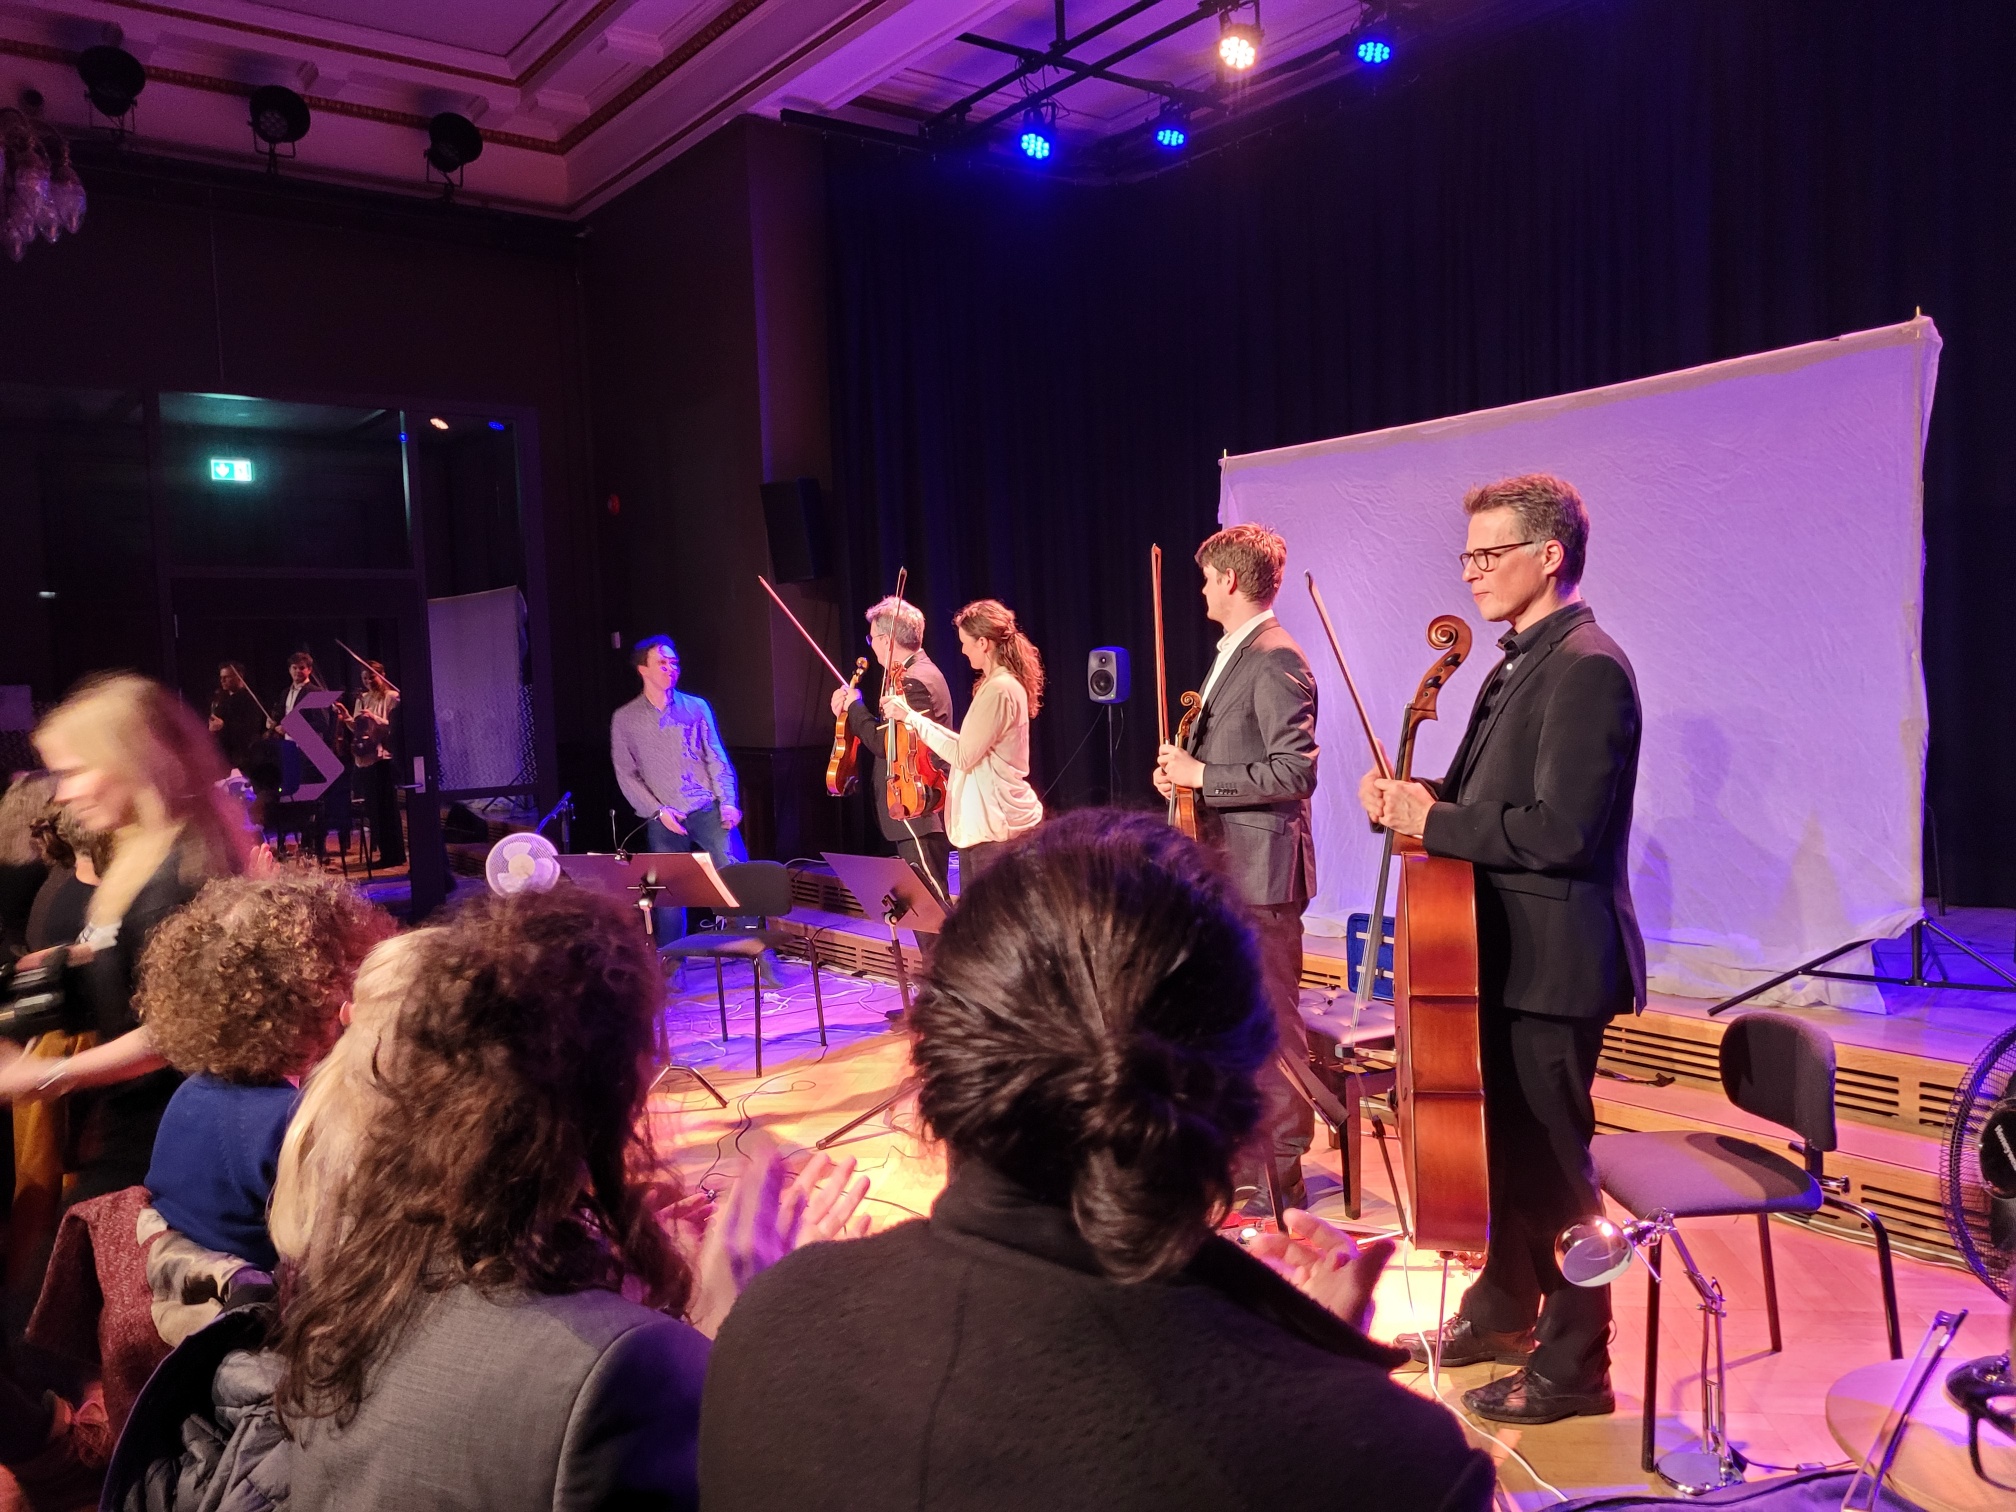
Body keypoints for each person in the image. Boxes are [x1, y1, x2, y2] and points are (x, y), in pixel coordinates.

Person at [701, 810, 1497, 1512]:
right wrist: (1319, 1382)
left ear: (936, 1050)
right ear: (1248, 1085)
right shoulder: (1394, 1463)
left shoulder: (761, 1328)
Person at [1360, 473, 1643, 1425]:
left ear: (1549, 555)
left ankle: (1577, 1364)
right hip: (1504, 955)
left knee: (1558, 1173)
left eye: (1490, 553)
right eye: (1469, 554)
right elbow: (1485, 798)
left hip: (1555, 967)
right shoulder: (1515, 662)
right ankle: (1500, 1311)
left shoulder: (1589, 667)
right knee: (1513, 1157)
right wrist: (1415, 798)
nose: (1472, 571)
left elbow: (1561, 829)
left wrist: (1434, 820)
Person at [0, 675, 251, 1202]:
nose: (62, 793)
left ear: (135, 761)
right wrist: (59, 965)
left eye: (75, 772)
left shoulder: (185, 871)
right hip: (137, 1125)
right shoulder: (144, 849)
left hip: (169, 1137)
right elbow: (137, 956)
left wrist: (44, 1075)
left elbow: (176, 1031)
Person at [1153, 523, 1319, 1216]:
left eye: (1205, 579)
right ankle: (1246, 1165)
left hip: (1263, 876)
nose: (1200, 591)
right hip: (1231, 870)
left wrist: (1203, 775)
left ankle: (1281, 1176)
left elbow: (1294, 771)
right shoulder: (1237, 654)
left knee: (1272, 1024)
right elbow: (1223, 761)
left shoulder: (1276, 657)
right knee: (1237, 1023)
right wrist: (1181, 777)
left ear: (1227, 579)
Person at [136, 873, 395, 1284]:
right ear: (321, 994)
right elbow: (353, 1251)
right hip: (260, 1308)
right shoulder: (290, 1122)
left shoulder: (190, 1093)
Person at [883, 599, 1043, 887]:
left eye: (966, 643)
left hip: (995, 835)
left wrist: (911, 717)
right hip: (984, 833)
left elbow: (963, 755)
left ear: (983, 643)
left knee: (990, 916)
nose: (962, 650)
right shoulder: (995, 685)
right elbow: (968, 746)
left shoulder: (1000, 689)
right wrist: (910, 717)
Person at [611, 636, 742, 943]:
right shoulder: (625, 718)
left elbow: (716, 756)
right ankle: (671, 960)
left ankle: (759, 951)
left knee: (737, 875)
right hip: (664, 816)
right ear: (643, 669)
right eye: (662, 663)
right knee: (668, 892)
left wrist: (728, 801)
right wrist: (658, 811)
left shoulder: (696, 707)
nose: (671, 668)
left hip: (706, 807)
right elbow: (626, 775)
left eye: (674, 662)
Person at [831, 596, 955, 901]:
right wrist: (849, 713)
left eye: (872, 638)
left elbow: (884, 744)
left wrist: (855, 707)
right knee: (923, 909)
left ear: (886, 640)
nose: (871, 645)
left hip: (919, 805)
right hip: (916, 807)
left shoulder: (914, 680)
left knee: (932, 907)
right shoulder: (913, 674)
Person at [343, 660, 403, 867]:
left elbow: (392, 726)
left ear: (382, 675)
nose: (368, 681)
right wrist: (346, 717)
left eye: (372, 677)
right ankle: (384, 853)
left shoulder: (392, 696)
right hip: (366, 758)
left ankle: (394, 855)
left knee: (387, 808)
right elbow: (359, 729)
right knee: (374, 810)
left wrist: (374, 717)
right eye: (365, 678)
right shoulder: (363, 698)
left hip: (383, 757)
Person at [206, 663, 266, 778]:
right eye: (221, 677)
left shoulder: (250, 700)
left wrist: (223, 726)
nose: (222, 680)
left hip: (243, 757)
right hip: (223, 755)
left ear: (239, 677)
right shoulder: (222, 699)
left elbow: (251, 729)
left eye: (226, 677)